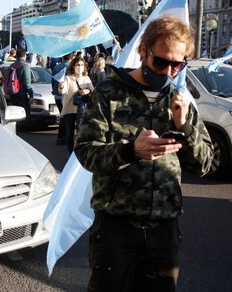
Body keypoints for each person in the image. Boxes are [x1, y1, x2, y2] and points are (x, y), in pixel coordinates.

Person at [74, 15, 214, 292]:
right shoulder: (108, 93)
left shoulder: (180, 99)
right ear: (143, 51)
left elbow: (205, 165)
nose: (168, 72)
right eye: (161, 62)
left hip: (164, 229)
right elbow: (86, 153)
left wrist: (183, 126)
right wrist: (130, 151)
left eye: (177, 65)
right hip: (116, 228)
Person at [58, 55, 94, 154]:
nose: (80, 67)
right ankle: (71, 154)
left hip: (82, 110)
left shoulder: (86, 78)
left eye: (82, 65)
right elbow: (63, 91)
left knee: (81, 133)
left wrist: (87, 91)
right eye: (78, 65)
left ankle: (80, 154)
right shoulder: (68, 78)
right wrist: (61, 86)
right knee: (69, 134)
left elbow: (93, 91)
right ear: (73, 66)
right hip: (70, 110)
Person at [51, 52, 73, 145]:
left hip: (57, 96)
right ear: (71, 57)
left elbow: (53, 81)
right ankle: (62, 137)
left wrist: (54, 91)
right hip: (67, 95)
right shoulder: (71, 68)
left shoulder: (56, 67)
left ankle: (62, 136)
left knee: (63, 116)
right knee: (66, 118)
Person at [9, 48, 33, 128]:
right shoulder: (25, 66)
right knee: (24, 114)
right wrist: (31, 95)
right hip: (21, 93)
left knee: (14, 114)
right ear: (25, 55)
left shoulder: (12, 66)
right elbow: (27, 83)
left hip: (12, 93)